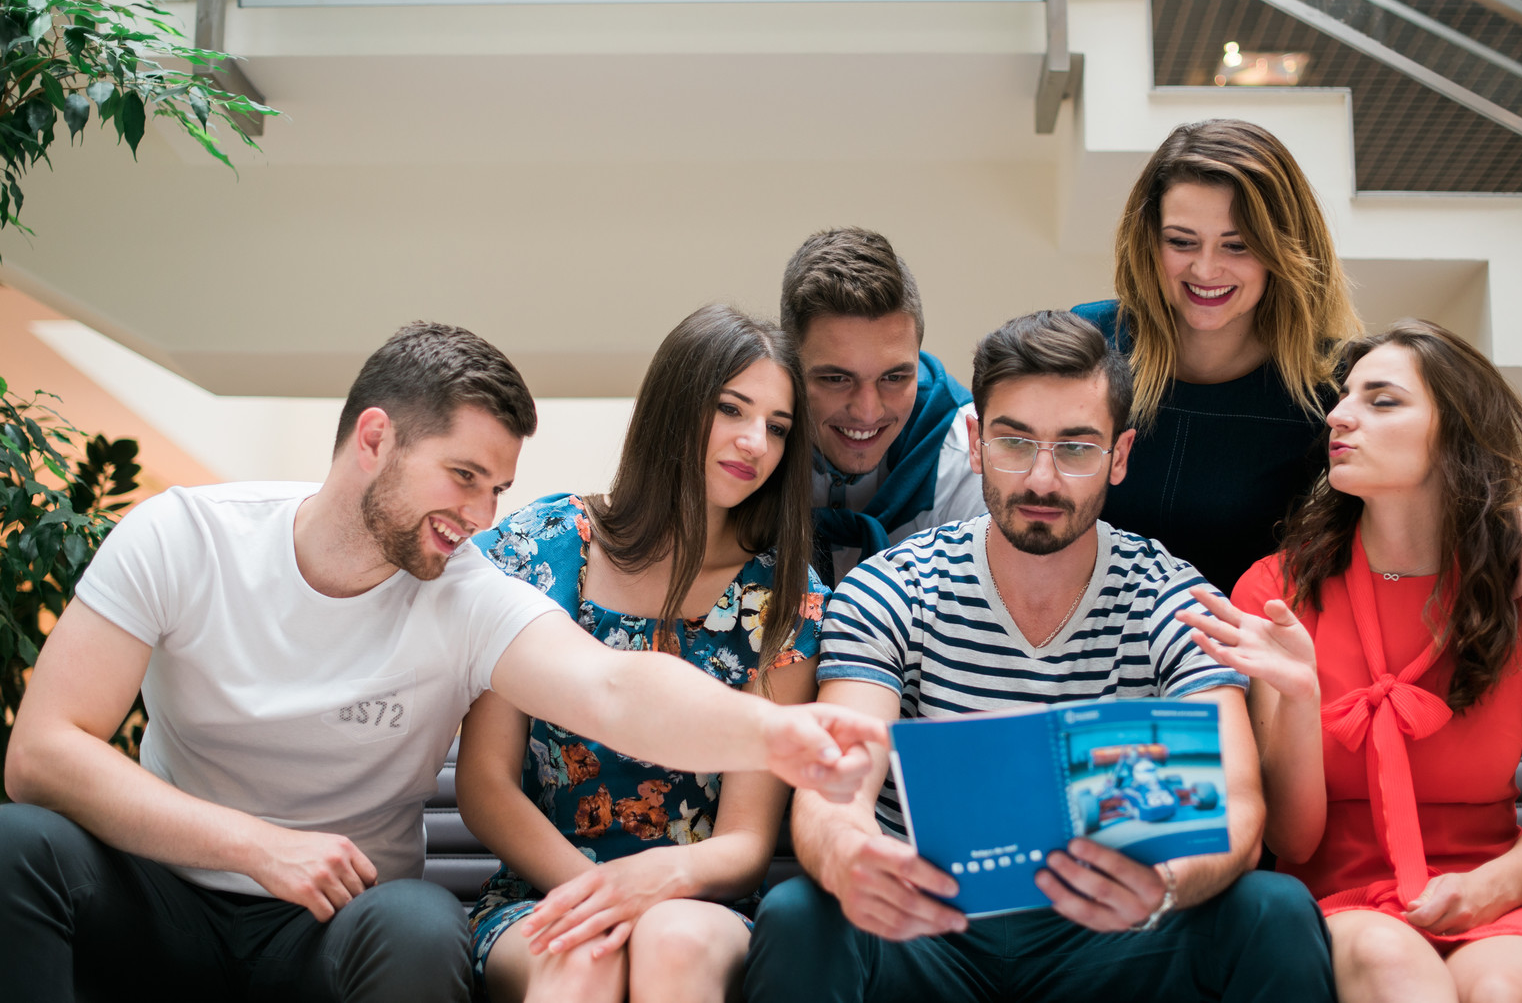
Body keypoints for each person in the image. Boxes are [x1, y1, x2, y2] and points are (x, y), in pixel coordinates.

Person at [0, 321, 885, 1003]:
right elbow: (40, 752)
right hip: (163, 895)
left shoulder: (466, 590)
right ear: (374, 439)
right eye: (464, 476)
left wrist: (773, 731)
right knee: (18, 843)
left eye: (497, 489)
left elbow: (613, 686)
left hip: (339, 920)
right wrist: (257, 846)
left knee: (424, 924)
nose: (482, 515)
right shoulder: (184, 535)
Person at [744, 310, 1336, 1003]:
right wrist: (852, 856)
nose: (1043, 480)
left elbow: (1234, 802)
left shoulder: (1174, 600)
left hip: (1113, 933)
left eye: (1076, 448)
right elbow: (832, 790)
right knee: (798, 913)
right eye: (1015, 442)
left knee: (1273, 909)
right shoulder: (894, 587)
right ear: (975, 442)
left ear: (1120, 456)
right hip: (924, 922)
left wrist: (1163, 884)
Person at [1181, 320, 1522, 1003]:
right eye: (1344, 398)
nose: (1339, 416)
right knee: (1391, 967)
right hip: (1339, 900)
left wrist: (1484, 890)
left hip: (1499, 895)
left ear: (1455, 433)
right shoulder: (1275, 591)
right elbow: (1293, 839)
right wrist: (1300, 696)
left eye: (1382, 401)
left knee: (1503, 991)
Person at [456, 305, 827, 1003]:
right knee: (583, 958)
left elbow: (746, 842)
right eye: (731, 409)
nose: (755, 442)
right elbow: (484, 784)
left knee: (672, 941)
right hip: (546, 891)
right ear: (675, 404)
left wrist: (653, 887)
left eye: (777, 427)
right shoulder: (541, 546)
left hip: (696, 903)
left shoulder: (787, 596)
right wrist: (597, 893)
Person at [1072, 118, 1522, 596]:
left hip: (1244, 642)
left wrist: (1508, 514)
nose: (1205, 269)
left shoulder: (1332, 383)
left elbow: (1434, 458)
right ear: (1149, 239)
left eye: (1237, 246)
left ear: (1283, 248)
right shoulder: (1088, 342)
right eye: (1181, 242)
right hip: (1074, 639)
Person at [780, 226, 985, 586]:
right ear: (788, 364)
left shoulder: (973, 453)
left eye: (894, 378)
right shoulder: (740, 439)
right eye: (836, 378)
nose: (867, 412)